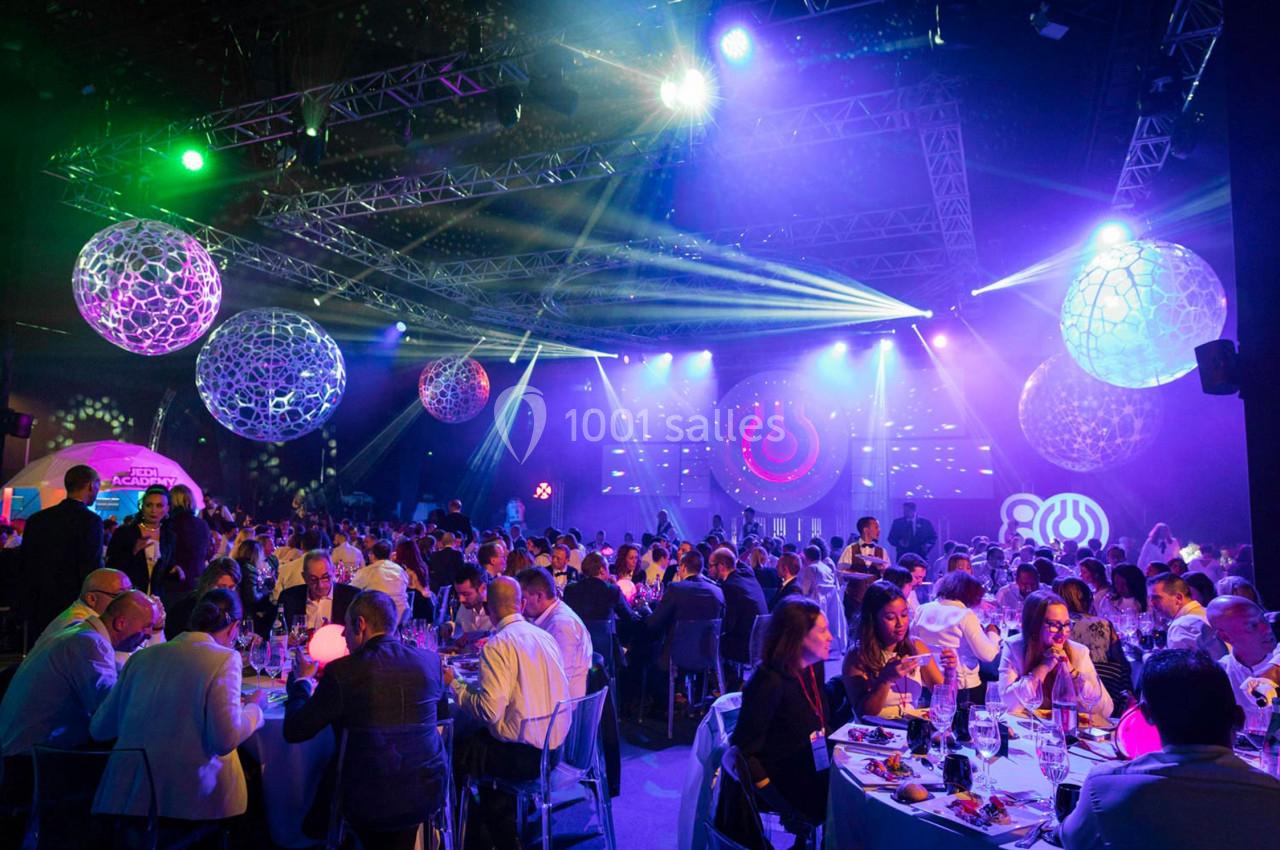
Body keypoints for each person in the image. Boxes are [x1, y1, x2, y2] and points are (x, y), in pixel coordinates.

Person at [1059, 649, 1280, 850]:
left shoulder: (1106, 785)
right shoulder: (1272, 798)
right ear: (1239, 718)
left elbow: (1071, 841)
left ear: (1145, 715)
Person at [284, 590, 446, 850]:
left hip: (369, 798)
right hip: (427, 790)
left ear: (360, 624)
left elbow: (295, 730)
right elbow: (443, 719)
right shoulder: (430, 662)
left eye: (346, 628)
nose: (343, 637)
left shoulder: (344, 671)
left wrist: (302, 682)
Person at [91, 588, 267, 824]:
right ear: (234, 628)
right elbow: (224, 740)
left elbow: (100, 729)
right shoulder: (225, 658)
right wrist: (254, 708)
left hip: (126, 796)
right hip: (188, 800)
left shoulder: (141, 658)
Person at [447, 576, 570, 850]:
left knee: (458, 749)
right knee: (479, 742)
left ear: (489, 608)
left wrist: (454, 684)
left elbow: (489, 711)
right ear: (522, 603)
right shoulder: (545, 636)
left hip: (524, 758)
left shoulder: (498, 644)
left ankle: (479, 837)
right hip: (555, 750)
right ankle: (502, 828)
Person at [0, 591, 153, 759]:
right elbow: (107, 708)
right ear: (120, 623)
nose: (149, 634)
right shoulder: (89, 642)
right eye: (147, 626)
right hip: (31, 760)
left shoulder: (79, 632)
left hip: (24, 751)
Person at [731, 599, 834, 840]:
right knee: (850, 806)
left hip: (810, 766)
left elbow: (821, 722)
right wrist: (784, 808)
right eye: (822, 631)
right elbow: (745, 753)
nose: (830, 637)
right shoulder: (769, 682)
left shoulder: (813, 667)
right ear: (797, 637)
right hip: (781, 782)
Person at [998, 590, 1113, 724]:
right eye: (1054, 625)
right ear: (1035, 626)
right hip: (1027, 729)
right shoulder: (1014, 647)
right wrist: (1042, 668)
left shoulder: (1079, 652)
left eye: (1066, 624)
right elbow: (1007, 704)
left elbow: (1105, 710)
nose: (1063, 632)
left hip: (1067, 729)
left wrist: (1072, 672)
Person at [843, 581, 953, 720]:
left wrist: (950, 672)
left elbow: (945, 701)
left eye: (904, 615)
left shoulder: (916, 647)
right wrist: (885, 680)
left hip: (910, 732)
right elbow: (864, 714)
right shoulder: (858, 655)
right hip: (874, 734)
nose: (900, 624)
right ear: (873, 619)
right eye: (890, 617)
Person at [22, 463, 105, 633]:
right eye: (97, 486)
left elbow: (25, 562)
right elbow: (90, 565)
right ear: (91, 485)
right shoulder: (90, 521)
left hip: (39, 600)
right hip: (72, 603)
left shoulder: (37, 519)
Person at [912, 571, 1001, 703]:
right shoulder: (964, 614)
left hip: (925, 682)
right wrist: (993, 632)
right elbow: (987, 655)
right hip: (959, 686)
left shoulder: (922, 609)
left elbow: (913, 643)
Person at [1055, 578, 1131, 716]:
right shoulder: (1103, 623)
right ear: (1086, 598)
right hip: (1104, 683)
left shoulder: (1057, 625)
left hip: (1066, 682)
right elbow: (1120, 659)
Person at [1205, 595, 1280, 734]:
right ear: (1226, 637)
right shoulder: (1220, 675)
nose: (1267, 629)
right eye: (1252, 625)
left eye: (1263, 619)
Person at [517, 567, 592, 698]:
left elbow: (558, 679)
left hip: (561, 710)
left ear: (539, 596)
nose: (519, 605)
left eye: (523, 598)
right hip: (550, 698)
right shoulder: (549, 616)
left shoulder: (561, 625)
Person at [646, 550, 726, 668]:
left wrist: (646, 610)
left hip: (677, 656)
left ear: (682, 567)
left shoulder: (676, 589)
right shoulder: (717, 590)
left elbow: (654, 622)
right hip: (709, 654)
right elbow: (722, 624)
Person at [29, 567, 132, 653]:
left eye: (130, 594)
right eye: (120, 596)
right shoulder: (80, 627)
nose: (129, 603)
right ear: (91, 599)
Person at [106, 485, 178, 597]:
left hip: (156, 598)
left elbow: (165, 569)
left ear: (167, 509)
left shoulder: (169, 536)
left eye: (159, 506)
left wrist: (176, 571)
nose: (153, 510)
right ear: (142, 506)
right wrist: (133, 551)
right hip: (128, 596)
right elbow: (111, 565)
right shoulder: (125, 532)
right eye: (149, 505)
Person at [707, 547, 769, 669]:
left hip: (745, 646)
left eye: (710, 565)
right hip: (762, 642)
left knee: (707, 643)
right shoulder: (748, 576)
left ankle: (718, 684)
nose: (708, 570)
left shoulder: (729, 587)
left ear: (721, 566)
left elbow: (729, 624)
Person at [1148, 573, 1226, 658]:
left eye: (1156, 598)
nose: (1151, 604)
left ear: (1178, 598)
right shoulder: (1205, 612)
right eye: (1150, 599)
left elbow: (1179, 669)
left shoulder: (1181, 626)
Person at [279, 551, 358, 632]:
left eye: (325, 577)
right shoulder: (289, 597)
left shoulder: (351, 597)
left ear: (334, 572)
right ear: (304, 577)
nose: (320, 585)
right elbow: (276, 632)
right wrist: (287, 639)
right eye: (313, 579)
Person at [165, 557, 241, 640]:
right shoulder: (185, 610)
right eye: (221, 587)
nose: (226, 593)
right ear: (207, 584)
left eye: (231, 587)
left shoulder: (231, 611)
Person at [563, 552, 636, 624]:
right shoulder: (612, 590)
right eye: (607, 567)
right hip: (603, 635)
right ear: (602, 570)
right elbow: (629, 616)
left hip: (578, 635)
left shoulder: (570, 589)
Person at [166, 484, 211, 599]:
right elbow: (208, 551)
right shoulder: (202, 524)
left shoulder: (168, 525)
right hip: (197, 579)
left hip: (173, 582)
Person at [351, 539, 410, 626]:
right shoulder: (400, 571)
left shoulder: (368, 571)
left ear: (372, 556)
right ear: (390, 555)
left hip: (379, 622)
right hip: (402, 617)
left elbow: (351, 590)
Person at [452, 563, 494, 636]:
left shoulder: (498, 609)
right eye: (458, 594)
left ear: (482, 588)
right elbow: (458, 633)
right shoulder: (465, 606)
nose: (461, 599)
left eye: (466, 594)